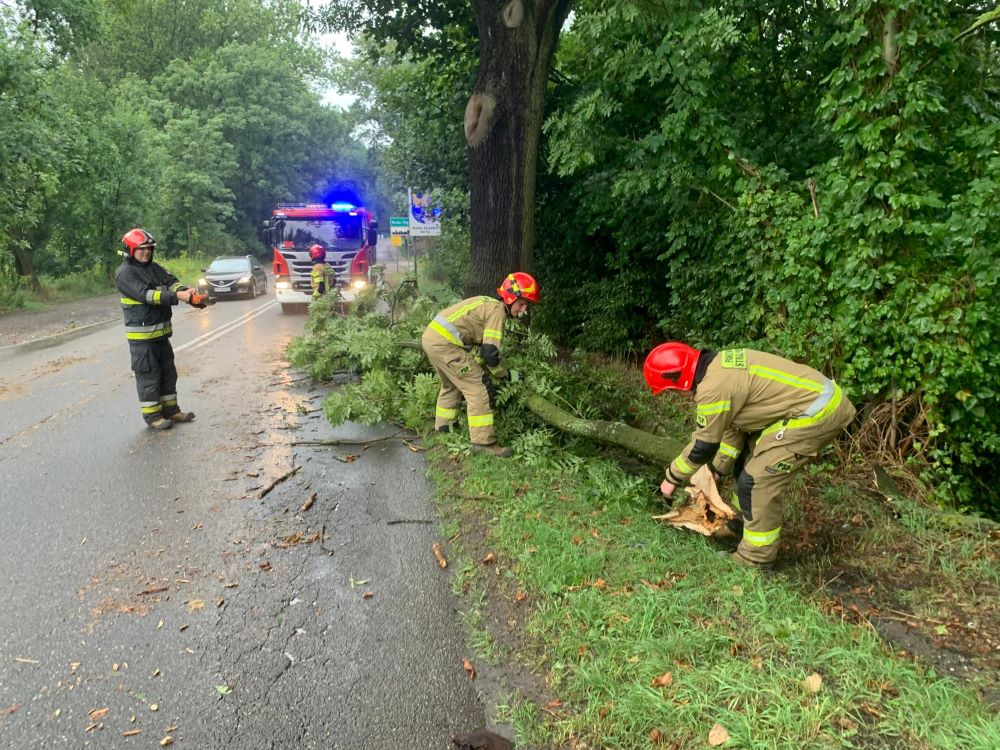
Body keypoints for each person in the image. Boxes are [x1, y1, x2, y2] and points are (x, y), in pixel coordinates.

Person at [643, 342, 855, 569]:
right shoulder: (718, 368)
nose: (677, 396)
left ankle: (755, 558)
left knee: (757, 480)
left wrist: (671, 478)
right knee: (745, 464)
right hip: (810, 406)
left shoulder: (713, 389)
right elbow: (734, 428)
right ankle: (739, 525)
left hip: (817, 413)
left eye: (672, 390)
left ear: (679, 379)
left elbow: (703, 445)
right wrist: (718, 469)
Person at [421, 272, 540, 457]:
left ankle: (444, 427)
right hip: (445, 345)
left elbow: (481, 349)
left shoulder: (488, 304)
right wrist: (505, 375)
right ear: (511, 296)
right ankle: (484, 443)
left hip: (432, 339)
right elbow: (490, 353)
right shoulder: (497, 311)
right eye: (523, 303)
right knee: (479, 387)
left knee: (451, 384)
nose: (524, 309)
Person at [116, 228, 202, 430]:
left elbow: (171, 282)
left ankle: (172, 411)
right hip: (142, 340)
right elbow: (147, 295)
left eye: (149, 248)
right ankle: (153, 416)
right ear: (130, 250)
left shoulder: (153, 268)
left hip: (161, 336)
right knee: (149, 377)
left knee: (168, 374)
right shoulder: (125, 273)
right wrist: (177, 297)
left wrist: (186, 292)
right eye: (141, 249)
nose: (146, 252)